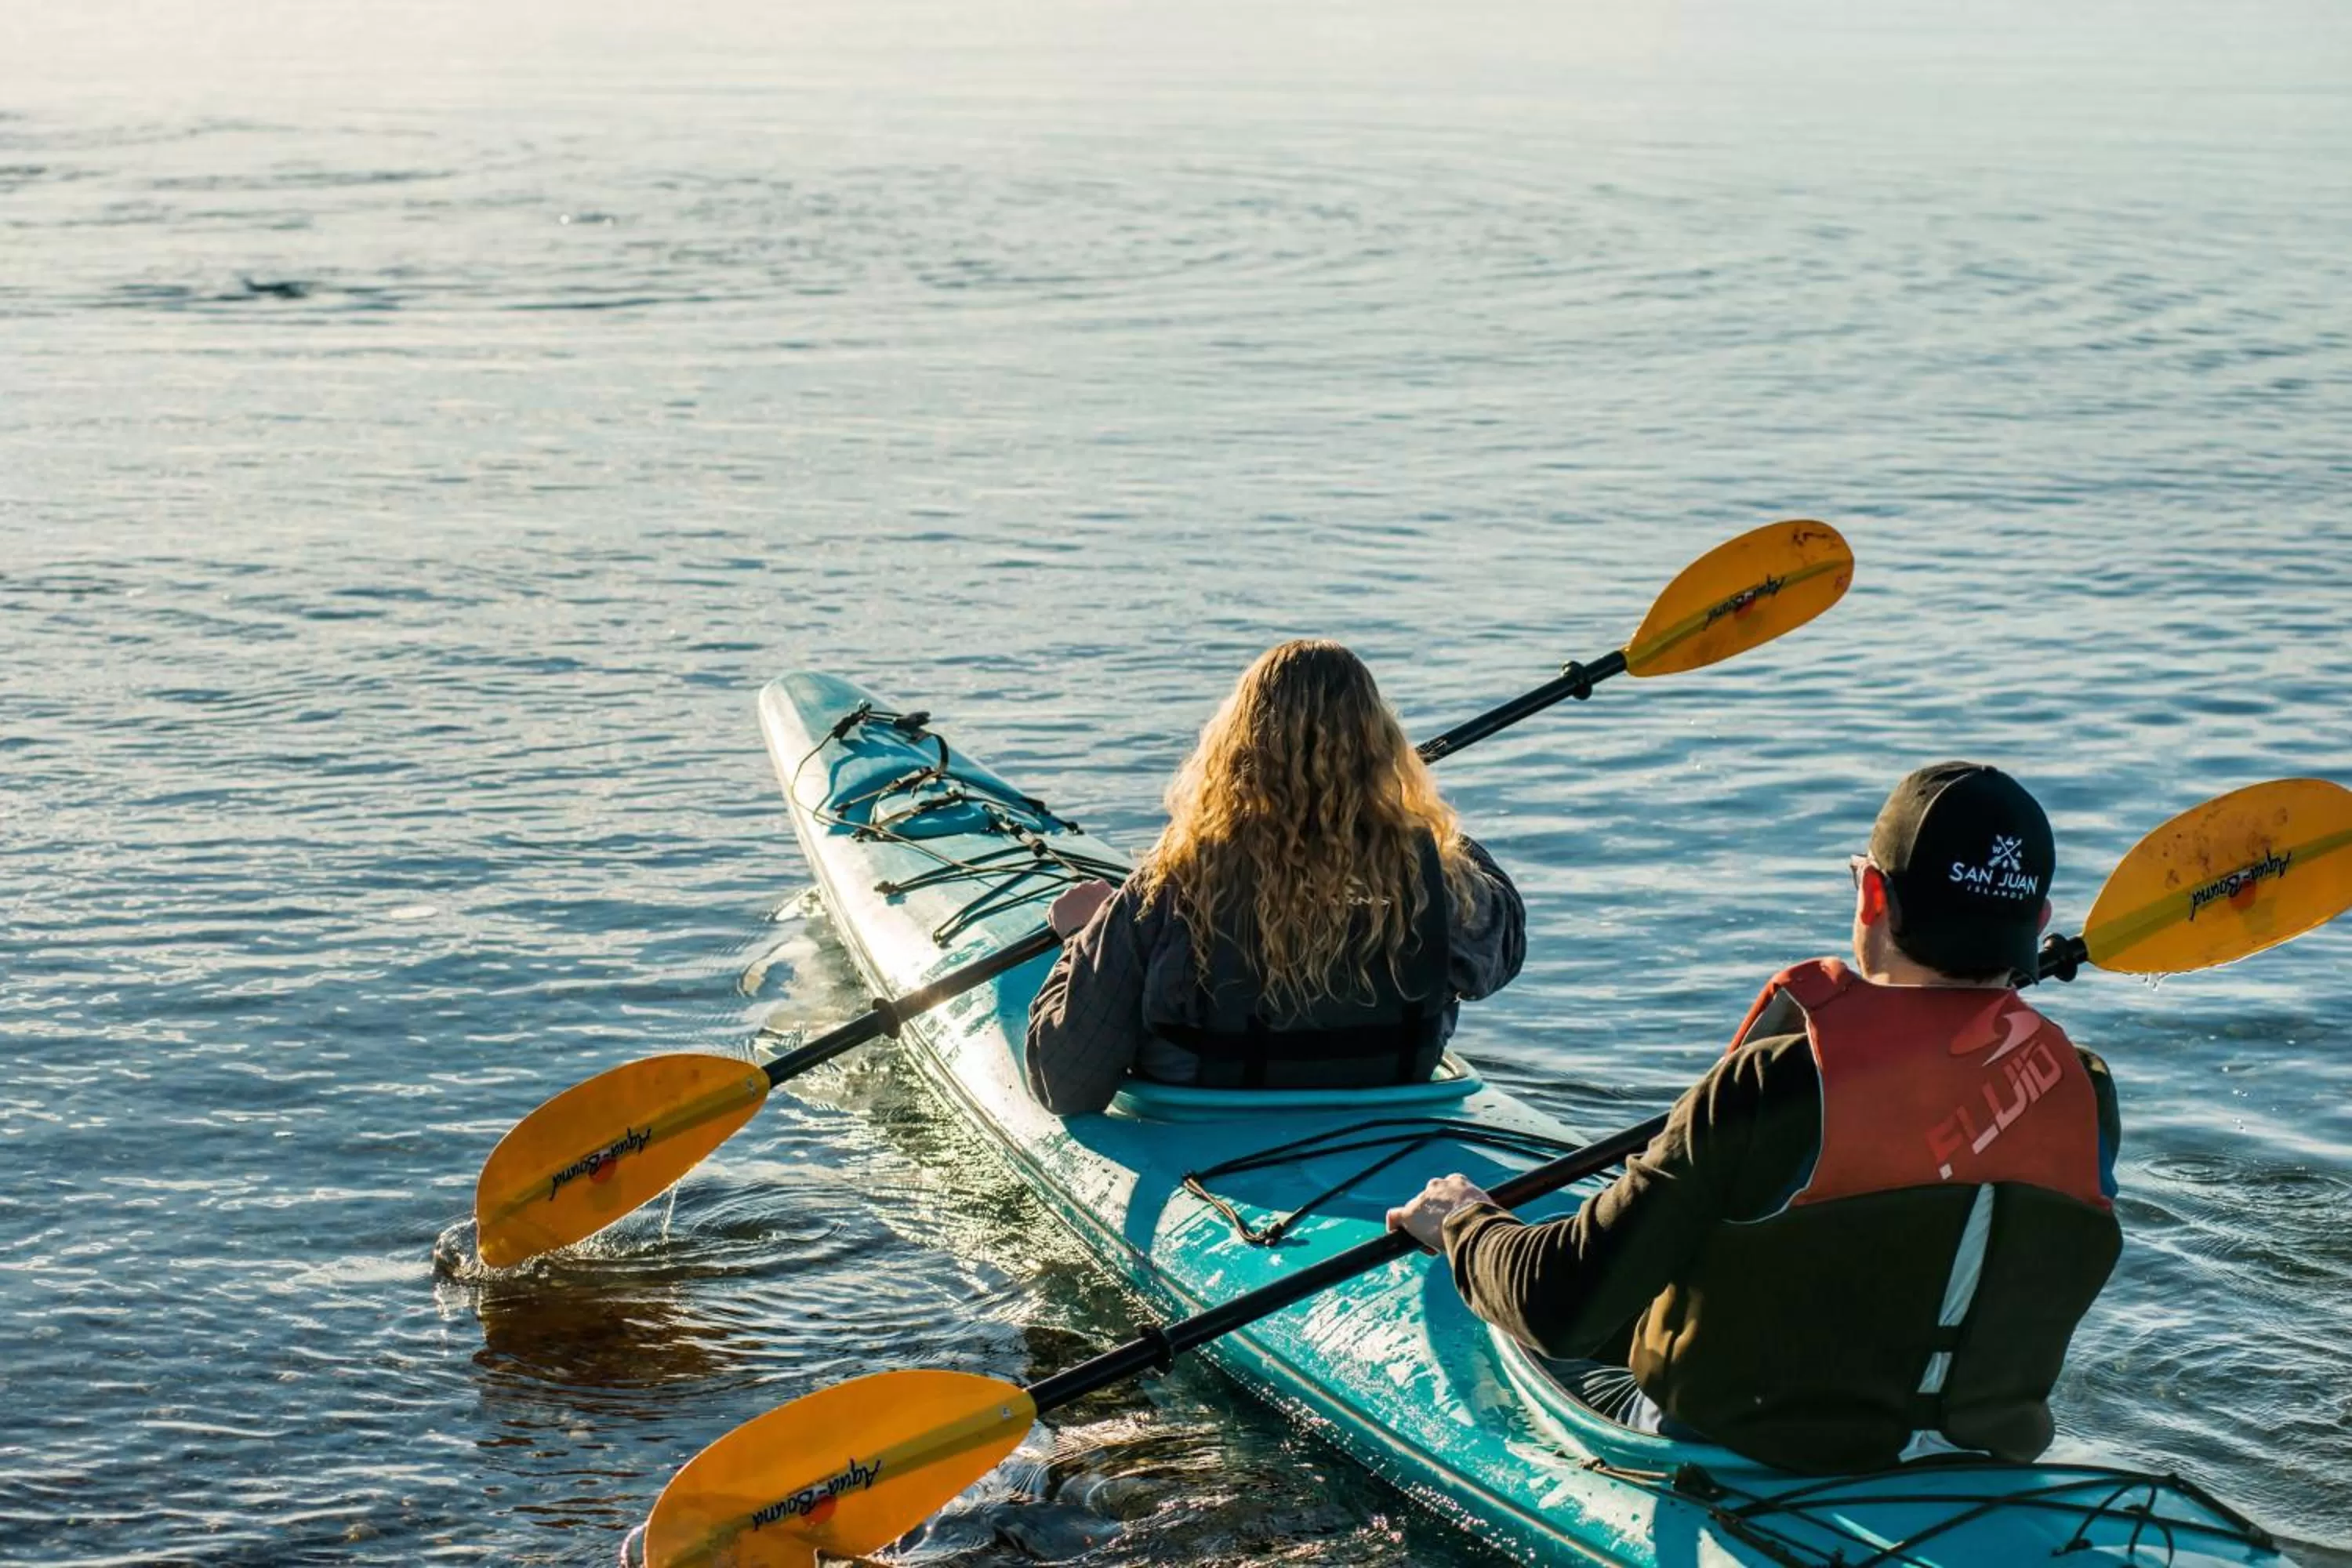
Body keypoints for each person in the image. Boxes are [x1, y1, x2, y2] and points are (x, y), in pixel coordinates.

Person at [1386, 762, 2122, 1475]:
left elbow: (1559, 1309)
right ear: (2039, 922)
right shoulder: (2086, 1093)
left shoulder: (1775, 1083)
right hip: (1981, 1462)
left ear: (1873, 895)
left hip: (1734, 1459)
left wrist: (1465, 1224)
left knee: (1505, 1319)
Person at [1024, 639, 1526, 1116]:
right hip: (1393, 1102)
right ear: (1381, 748)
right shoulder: (1439, 882)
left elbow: (1065, 1083)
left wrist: (1082, 941)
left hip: (1206, 1121)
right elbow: (1504, 952)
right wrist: (1412, 820)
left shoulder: (1173, 886)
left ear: (1234, 752)